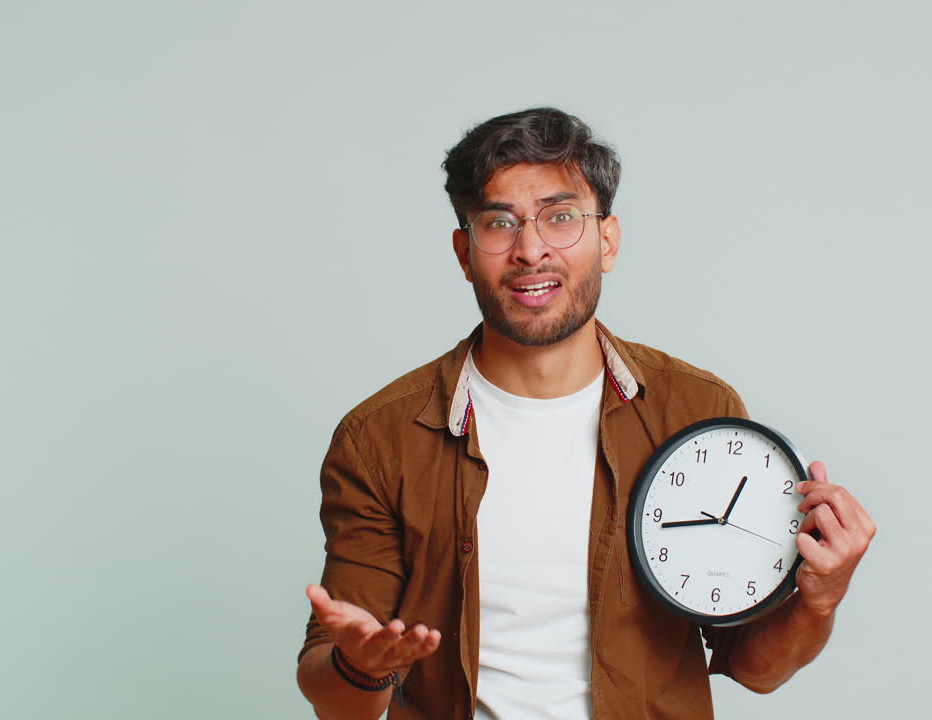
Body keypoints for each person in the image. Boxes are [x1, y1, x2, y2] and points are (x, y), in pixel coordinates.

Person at [296, 107, 875, 720]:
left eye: (561, 217)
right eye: (499, 223)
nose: (530, 250)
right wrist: (362, 664)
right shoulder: (379, 438)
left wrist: (819, 597)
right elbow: (336, 697)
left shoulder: (699, 413)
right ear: (465, 254)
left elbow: (754, 669)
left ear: (607, 240)